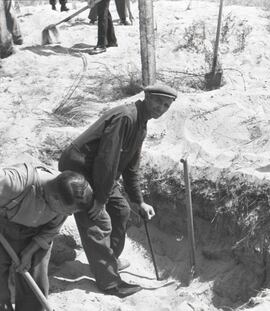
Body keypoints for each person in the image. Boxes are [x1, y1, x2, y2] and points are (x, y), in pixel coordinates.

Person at [58, 84, 178, 298]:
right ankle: (109, 281)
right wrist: (100, 200)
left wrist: (139, 201)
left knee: (121, 210)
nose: (161, 108)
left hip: (98, 171)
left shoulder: (141, 123)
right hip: (80, 169)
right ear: (147, 97)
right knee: (97, 221)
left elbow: (130, 166)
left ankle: (109, 260)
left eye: (166, 105)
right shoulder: (126, 117)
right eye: (159, 101)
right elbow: (107, 159)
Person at [0, 163, 93, 311]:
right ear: (55, 198)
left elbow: (51, 230)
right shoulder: (15, 181)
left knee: (36, 282)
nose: (69, 215)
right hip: (4, 227)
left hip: (36, 233)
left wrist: (29, 251)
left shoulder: (67, 197)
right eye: (68, 211)